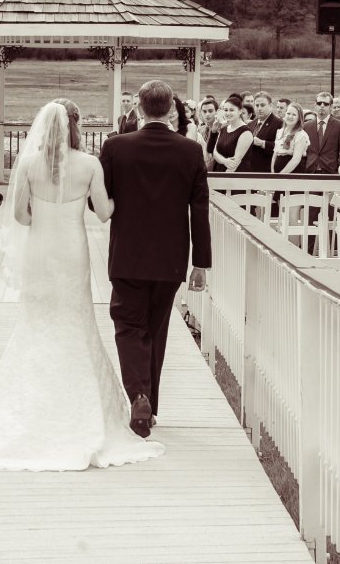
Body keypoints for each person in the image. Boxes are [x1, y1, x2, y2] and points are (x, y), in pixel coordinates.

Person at [0, 99, 165, 471]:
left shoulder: (30, 164)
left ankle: (33, 403)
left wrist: (43, 210)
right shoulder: (88, 165)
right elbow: (104, 213)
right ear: (76, 125)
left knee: (38, 322)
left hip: (41, 252)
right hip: (72, 252)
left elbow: (20, 216)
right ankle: (83, 405)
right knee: (76, 319)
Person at [101, 80, 211, 437]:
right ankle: (150, 406)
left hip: (128, 255)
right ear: (171, 110)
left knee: (128, 326)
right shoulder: (191, 151)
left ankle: (139, 395)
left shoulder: (116, 147)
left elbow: (99, 201)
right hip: (171, 259)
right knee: (155, 330)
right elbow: (200, 211)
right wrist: (201, 264)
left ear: (139, 108)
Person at [206, 94, 254, 173]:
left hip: (236, 175)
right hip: (219, 171)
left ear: (240, 111)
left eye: (231, 110)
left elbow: (235, 163)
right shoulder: (223, 128)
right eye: (225, 110)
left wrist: (224, 181)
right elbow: (214, 152)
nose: (228, 113)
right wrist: (225, 161)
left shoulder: (246, 132)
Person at [302, 91, 340, 174]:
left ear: (331, 106)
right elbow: (304, 150)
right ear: (315, 105)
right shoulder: (306, 126)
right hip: (310, 172)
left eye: (325, 104)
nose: (322, 106)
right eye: (319, 103)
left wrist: (338, 168)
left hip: (330, 172)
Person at [241, 91, 281, 173]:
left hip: (266, 171)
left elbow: (281, 147)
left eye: (262, 105)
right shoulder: (251, 123)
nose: (259, 108)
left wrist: (263, 143)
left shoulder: (279, 123)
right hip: (249, 170)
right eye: (257, 105)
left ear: (270, 106)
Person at [271, 102, 310, 174]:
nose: (290, 117)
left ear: (299, 118)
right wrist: (273, 172)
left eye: (294, 115)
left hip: (293, 174)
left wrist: (281, 175)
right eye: (288, 113)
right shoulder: (280, 132)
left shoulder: (301, 135)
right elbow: (275, 154)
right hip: (277, 175)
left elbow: (296, 160)